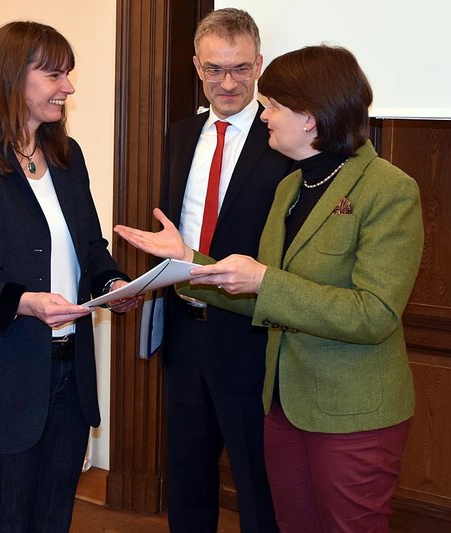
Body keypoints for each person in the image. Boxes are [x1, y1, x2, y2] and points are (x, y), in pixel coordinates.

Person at [116, 44, 424, 532]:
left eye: (274, 106)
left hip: (352, 415)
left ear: (310, 117)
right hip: (282, 405)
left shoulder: (388, 189)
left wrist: (264, 280)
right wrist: (187, 263)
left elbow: (375, 314)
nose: (264, 117)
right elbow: (256, 290)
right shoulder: (292, 187)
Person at [0, 21, 141, 533]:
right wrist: (24, 302)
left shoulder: (68, 157)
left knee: (53, 520)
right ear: (11, 77)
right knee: (6, 521)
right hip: (3, 374)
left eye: (68, 74)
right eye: (54, 74)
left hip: (70, 371)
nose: (67, 87)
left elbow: (91, 250)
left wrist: (114, 286)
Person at [156, 8, 290, 532]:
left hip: (251, 334)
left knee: (260, 485)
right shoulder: (181, 133)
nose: (228, 83)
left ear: (260, 65)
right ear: (196, 66)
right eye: (214, 69)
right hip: (184, 332)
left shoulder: (282, 139)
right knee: (187, 478)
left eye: (240, 69)